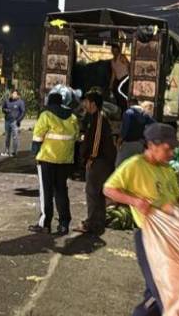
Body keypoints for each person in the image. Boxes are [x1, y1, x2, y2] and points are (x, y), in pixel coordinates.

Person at [104, 123, 179, 316]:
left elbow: (177, 199)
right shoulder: (135, 166)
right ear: (153, 146)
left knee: (155, 299)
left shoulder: (167, 170)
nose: (172, 153)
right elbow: (109, 189)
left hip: (171, 240)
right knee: (169, 299)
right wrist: (135, 201)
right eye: (168, 148)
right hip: (150, 240)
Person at [29, 87, 78, 235]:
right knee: (61, 191)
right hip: (65, 160)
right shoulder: (73, 117)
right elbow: (75, 137)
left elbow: (37, 137)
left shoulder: (46, 115)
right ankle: (64, 224)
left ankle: (45, 223)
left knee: (46, 192)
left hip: (47, 159)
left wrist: (35, 153)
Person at [73, 90, 117, 235]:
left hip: (99, 162)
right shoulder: (92, 118)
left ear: (93, 103)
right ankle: (97, 223)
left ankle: (92, 224)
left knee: (93, 193)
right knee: (96, 193)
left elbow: (97, 141)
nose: (84, 104)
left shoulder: (98, 118)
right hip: (99, 160)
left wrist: (91, 157)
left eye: (86, 101)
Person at [115, 99, 154, 168]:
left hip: (128, 144)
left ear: (129, 104)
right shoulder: (144, 114)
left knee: (119, 166)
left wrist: (120, 139)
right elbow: (154, 125)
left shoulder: (128, 113)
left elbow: (125, 128)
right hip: (140, 144)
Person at [1, 89, 26, 157]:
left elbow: (23, 112)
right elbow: (3, 108)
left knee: (15, 137)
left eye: (15, 94)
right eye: (12, 93)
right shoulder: (7, 101)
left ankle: (14, 152)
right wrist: (5, 110)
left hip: (15, 122)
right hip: (7, 121)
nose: (13, 95)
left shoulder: (20, 102)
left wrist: (18, 120)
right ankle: (6, 151)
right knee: (7, 137)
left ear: (18, 95)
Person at [109, 44, 130, 112]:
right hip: (119, 79)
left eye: (116, 51)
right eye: (113, 51)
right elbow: (113, 74)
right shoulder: (112, 61)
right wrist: (111, 84)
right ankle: (121, 108)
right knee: (116, 92)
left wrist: (130, 76)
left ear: (118, 51)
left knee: (119, 91)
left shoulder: (121, 57)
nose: (114, 52)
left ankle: (126, 106)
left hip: (125, 77)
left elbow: (128, 65)